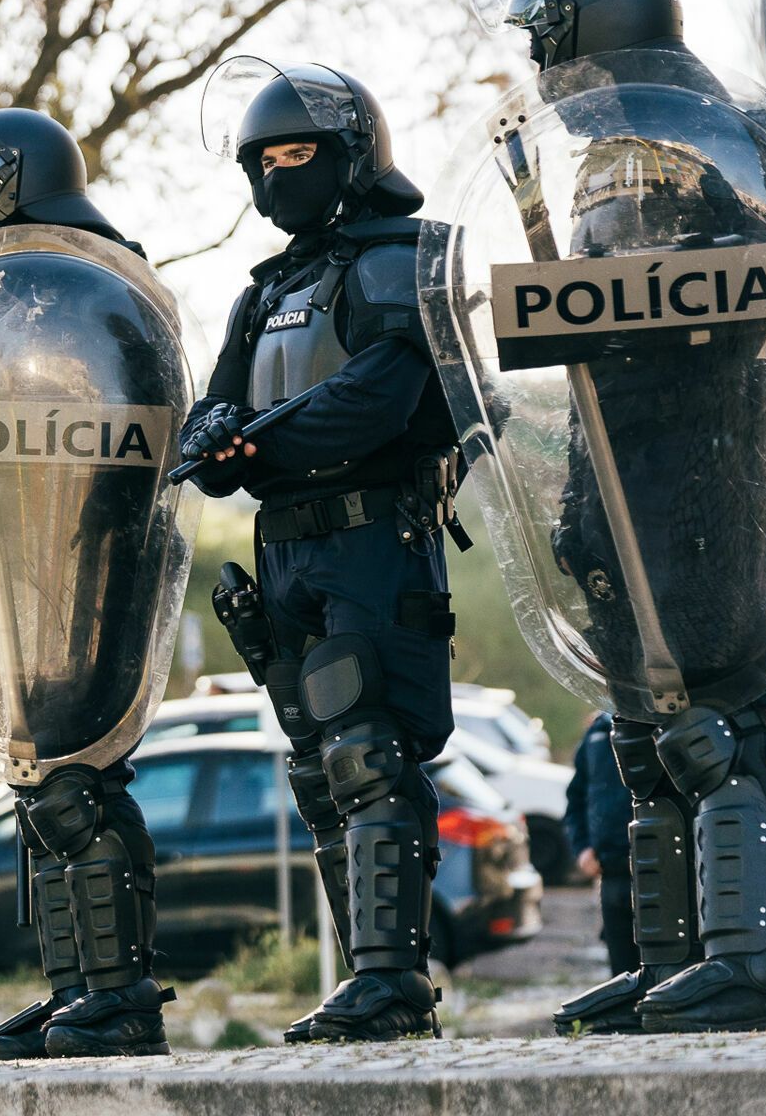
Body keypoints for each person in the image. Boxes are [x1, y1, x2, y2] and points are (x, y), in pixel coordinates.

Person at [456, 0, 766, 1037]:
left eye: (545, 32)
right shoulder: (605, 152)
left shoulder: (722, 136)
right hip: (611, 453)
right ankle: (669, 959)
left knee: (715, 708)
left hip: (700, 458)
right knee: (643, 728)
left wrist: (638, 311)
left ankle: (745, 958)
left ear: (589, 23)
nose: (537, 55)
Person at [0, 108, 177, 1059]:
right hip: (12, 556)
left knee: (82, 777)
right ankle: (72, 989)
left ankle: (122, 995)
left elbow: (141, 425)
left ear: (21, 180)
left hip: (94, 552)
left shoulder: (103, 283)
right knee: (36, 783)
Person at [180, 63, 461, 1041]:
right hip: (285, 552)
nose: (277, 173)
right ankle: (366, 983)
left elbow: (374, 399)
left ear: (350, 155)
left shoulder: (401, 259)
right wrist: (215, 438)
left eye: (296, 152)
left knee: (369, 753)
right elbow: (212, 417)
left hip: (374, 536)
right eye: (261, 161)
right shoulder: (264, 292)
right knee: (319, 769)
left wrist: (254, 446)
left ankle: (393, 982)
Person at [565, 712, 637, 977]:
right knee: (622, 971)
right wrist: (582, 848)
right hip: (610, 872)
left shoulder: (653, 726)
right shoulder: (597, 734)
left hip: (657, 869)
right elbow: (576, 799)